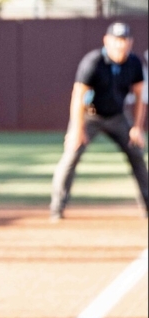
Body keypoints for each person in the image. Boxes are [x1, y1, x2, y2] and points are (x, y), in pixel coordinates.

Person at [50, 22, 147, 221]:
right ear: (107, 40)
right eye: (117, 40)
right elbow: (78, 96)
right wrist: (77, 129)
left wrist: (137, 127)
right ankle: (57, 208)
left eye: (124, 40)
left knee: (137, 154)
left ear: (130, 42)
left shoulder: (134, 63)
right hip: (89, 116)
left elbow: (139, 96)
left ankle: (147, 206)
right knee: (71, 155)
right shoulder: (93, 61)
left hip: (118, 116)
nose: (121, 45)